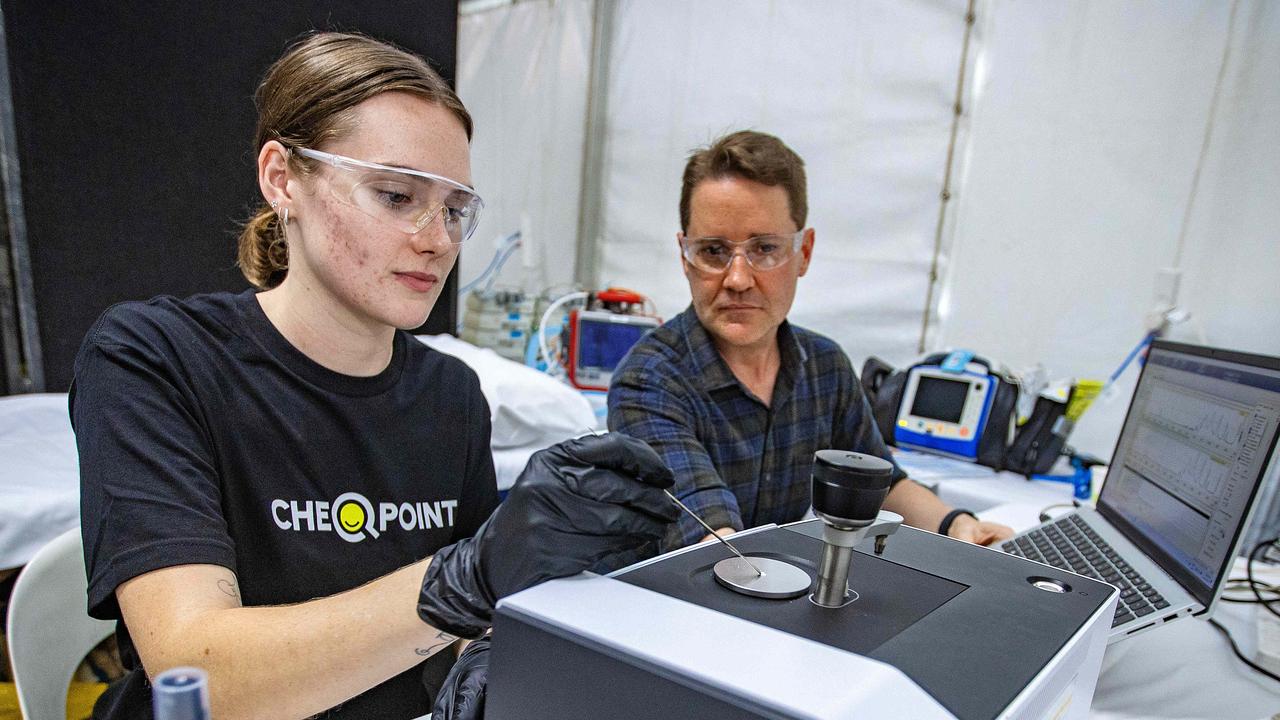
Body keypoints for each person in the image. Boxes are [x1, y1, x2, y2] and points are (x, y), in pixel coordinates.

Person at [71, 32, 675, 720]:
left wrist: (487, 644)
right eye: (394, 196)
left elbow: (463, 631)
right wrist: (466, 578)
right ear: (281, 179)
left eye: (454, 210)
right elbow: (200, 676)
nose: (438, 239)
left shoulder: (450, 397)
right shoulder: (157, 359)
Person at [608, 130, 1013, 554]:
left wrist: (961, 525)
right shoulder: (649, 381)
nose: (738, 279)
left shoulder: (824, 366)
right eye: (713, 251)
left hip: (764, 583)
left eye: (765, 248)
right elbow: (708, 537)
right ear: (684, 256)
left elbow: (883, 482)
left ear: (804, 253)